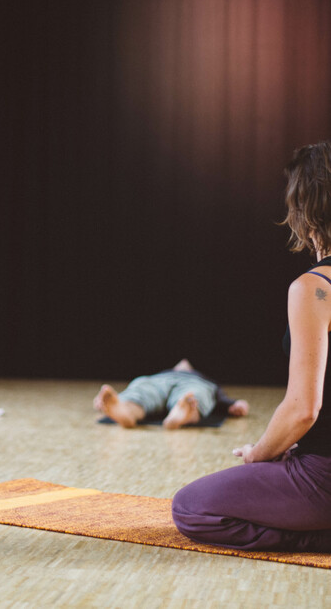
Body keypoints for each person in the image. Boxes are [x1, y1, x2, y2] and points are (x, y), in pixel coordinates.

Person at [172, 141, 331, 552]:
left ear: (306, 210)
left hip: (324, 481)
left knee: (190, 507)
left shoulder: (314, 289)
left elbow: (303, 409)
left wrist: (260, 454)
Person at [93, 358, 249, 429]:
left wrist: (234, 405)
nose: (183, 361)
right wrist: (104, 401)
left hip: (192, 383)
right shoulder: (164, 373)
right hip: (160, 381)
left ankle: (185, 413)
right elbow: (142, 388)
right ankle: (124, 409)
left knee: (194, 394)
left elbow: (220, 398)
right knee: (142, 386)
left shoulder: (200, 377)